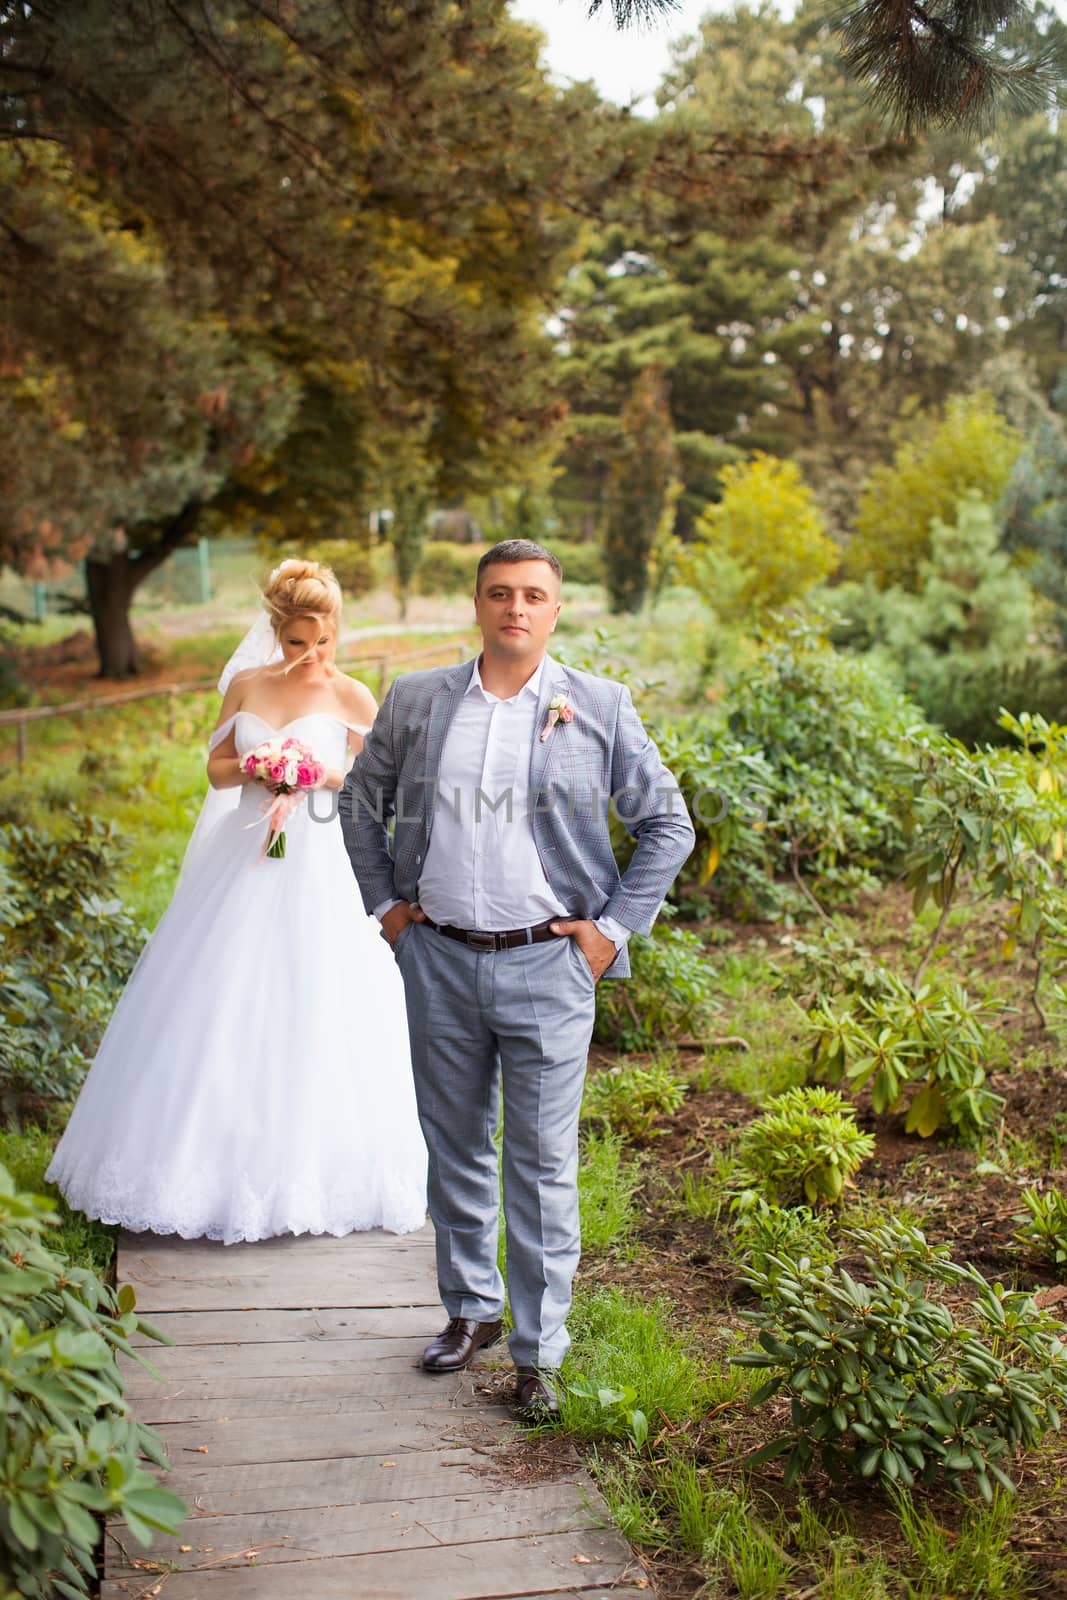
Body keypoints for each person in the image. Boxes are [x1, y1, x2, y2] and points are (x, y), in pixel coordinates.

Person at [340, 538, 694, 1418]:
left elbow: (667, 824)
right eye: (500, 593)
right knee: (454, 1145)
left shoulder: (598, 705)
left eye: (533, 595)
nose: (515, 609)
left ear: (555, 608)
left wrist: (609, 933)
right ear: (477, 601)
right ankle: (469, 1312)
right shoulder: (419, 700)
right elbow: (358, 803)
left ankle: (539, 1354)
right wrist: (387, 909)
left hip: (549, 963)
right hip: (440, 957)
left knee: (539, 1165)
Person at [47, 560, 427, 1245]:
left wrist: (314, 774)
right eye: (296, 643)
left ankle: (313, 1167)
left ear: (336, 630)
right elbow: (215, 766)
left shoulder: (353, 695)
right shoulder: (249, 685)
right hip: (242, 855)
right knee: (215, 996)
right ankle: (191, 1163)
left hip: (317, 861)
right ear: (275, 635)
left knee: (317, 997)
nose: (310, 656)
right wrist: (259, 766)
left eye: (322, 642)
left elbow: (378, 788)